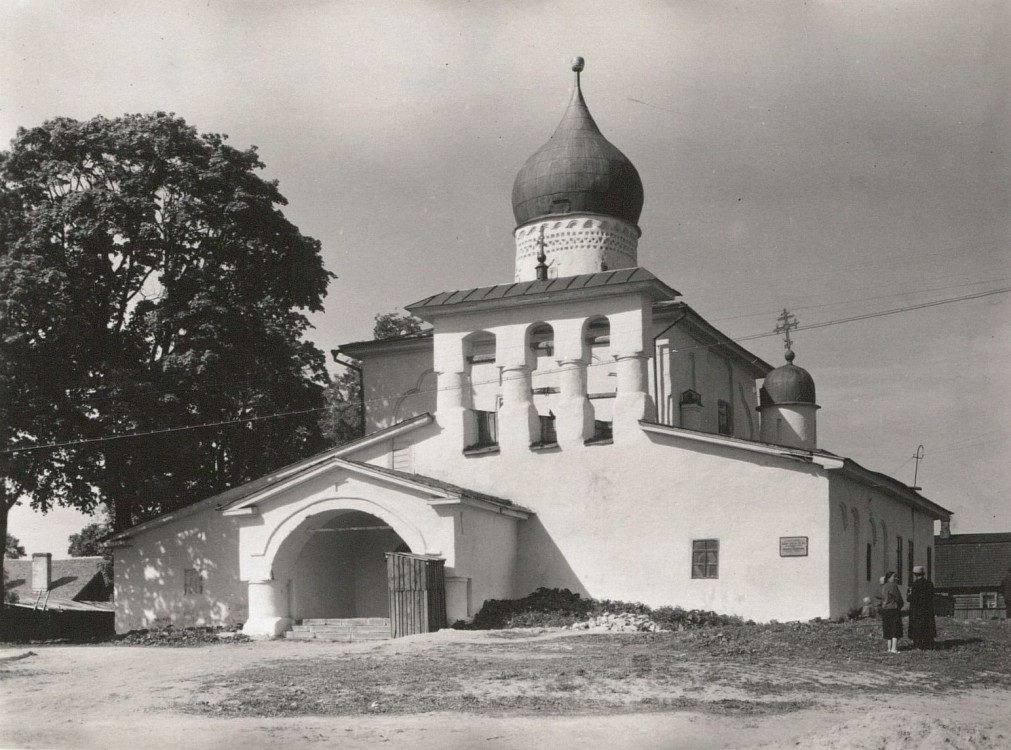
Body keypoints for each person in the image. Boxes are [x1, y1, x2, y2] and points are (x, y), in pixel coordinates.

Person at [907, 565, 936, 649]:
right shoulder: (929, 584)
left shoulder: (913, 585)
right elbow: (932, 595)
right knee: (927, 625)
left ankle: (918, 644)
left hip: (916, 610)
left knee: (917, 627)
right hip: (927, 609)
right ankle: (928, 643)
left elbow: (910, 598)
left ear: (915, 574)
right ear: (923, 573)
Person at [880, 571, 904, 653]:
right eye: (894, 576)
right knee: (895, 629)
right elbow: (898, 598)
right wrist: (900, 605)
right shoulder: (893, 586)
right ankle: (894, 648)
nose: (895, 578)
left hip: (885, 609)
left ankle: (889, 648)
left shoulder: (884, 586)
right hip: (893, 609)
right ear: (889, 577)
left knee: (888, 629)